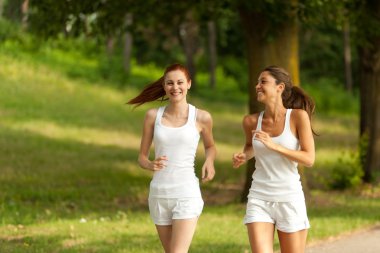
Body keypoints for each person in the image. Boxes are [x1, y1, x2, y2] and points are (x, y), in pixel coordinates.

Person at [128, 63, 216, 253]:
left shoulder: (201, 117)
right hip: (159, 194)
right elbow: (141, 157)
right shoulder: (152, 116)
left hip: (186, 193)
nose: (175, 87)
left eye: (180, 82)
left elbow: (210, 146)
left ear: (189, 84)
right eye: (169, 83)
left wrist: (209, 161)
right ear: (164, 86)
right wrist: (150, 164)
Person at [232, 66, 315, 253]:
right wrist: (243, 156)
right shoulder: (251, 121)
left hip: (289, 198)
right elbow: (251, 146)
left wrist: (275, 146)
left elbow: (309, 158)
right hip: (259, 197)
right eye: (257, 82)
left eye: (263, 82)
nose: (257, 86)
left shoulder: (298, 117)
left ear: (280, 87)